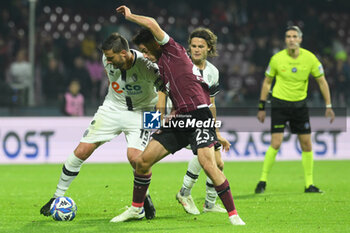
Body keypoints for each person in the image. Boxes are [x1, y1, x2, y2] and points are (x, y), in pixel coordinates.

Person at [111, 5, 245, 225]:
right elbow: (162, 100)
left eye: (145, 50)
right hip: (180, 118)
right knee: (143, 162)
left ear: (155, 44)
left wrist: (130, 16)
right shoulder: (161, 67)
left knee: (210, 165)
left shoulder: (172, 49)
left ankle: (234, 215)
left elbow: (153, 24)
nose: (144, 55)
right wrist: (152, 125)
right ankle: (136, 209)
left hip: (199, 116)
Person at [40, 32, 162, 220]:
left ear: (124, 53)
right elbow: (112, 77)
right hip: (112, 108)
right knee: (81, 151)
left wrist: (158, 117)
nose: (108, 61)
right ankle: (56, 197)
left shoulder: (147, 66)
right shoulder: (107, 59)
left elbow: (164, 89)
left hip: (143, 112)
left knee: (136, 159)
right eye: (107, 57)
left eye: (112, 57)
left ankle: (143, 199)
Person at [254, 26, 335, 194]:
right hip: (279, 104)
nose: (291, 39)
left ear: (300, 39)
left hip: (299, 106)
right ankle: (262, 181)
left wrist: (328, 106)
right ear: (285, 40)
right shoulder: (277, 59)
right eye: (288, 36)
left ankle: (309, 184)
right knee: (275, 143)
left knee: (306, 144)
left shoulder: (310, 59)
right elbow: (267, 82)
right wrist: (262, 106)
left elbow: (322, 81)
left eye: (294, 36)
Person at [175, 27, 230, 215]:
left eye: (201, 46)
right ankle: (184, 193)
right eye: (193, 46)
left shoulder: (213, 72)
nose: (196, 49)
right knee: (207, 157)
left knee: (218, 164)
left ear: (209, 48)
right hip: (183, 119)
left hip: (202, 121)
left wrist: (217, 132)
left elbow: (211, 104)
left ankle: (208, 203)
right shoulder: (181, 66)